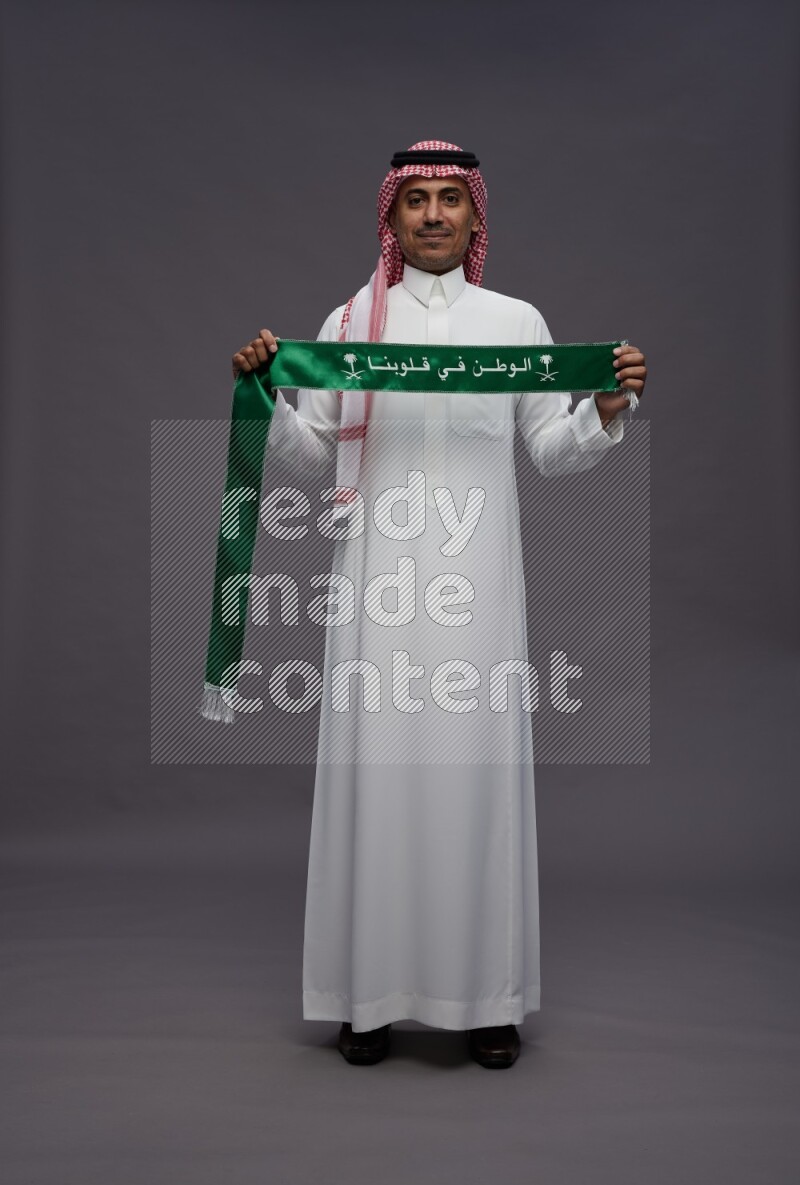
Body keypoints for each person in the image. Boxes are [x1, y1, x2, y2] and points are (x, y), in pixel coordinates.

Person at [231, 140, 647, 1069]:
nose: (431, 215)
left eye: (448, 199)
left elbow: (551, 451)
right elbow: (313, 453)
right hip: (373, 585)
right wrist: (266, 398)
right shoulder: (350, 323)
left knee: (475, 782)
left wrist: (604, 411)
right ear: (391, 215)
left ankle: (484, 1001)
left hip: (478, 592)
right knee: (373, 779)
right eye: (414, 199)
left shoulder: (515, 323)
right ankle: (366, 997)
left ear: (474, 215)